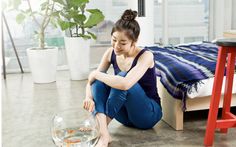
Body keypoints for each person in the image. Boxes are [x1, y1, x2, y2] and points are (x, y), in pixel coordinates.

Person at [83, 9, 162, 147]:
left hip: (147, 115)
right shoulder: (110, 53)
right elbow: (91, 82)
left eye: (123, 42)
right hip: (124, 117)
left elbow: (125, 84)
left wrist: (95, 73)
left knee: (121, 77)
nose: (116, 46)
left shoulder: (146, 56)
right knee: (98, 83)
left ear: (134, 41)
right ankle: (104, 133)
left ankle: (99, 130)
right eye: (114, 40)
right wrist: (88, 97)